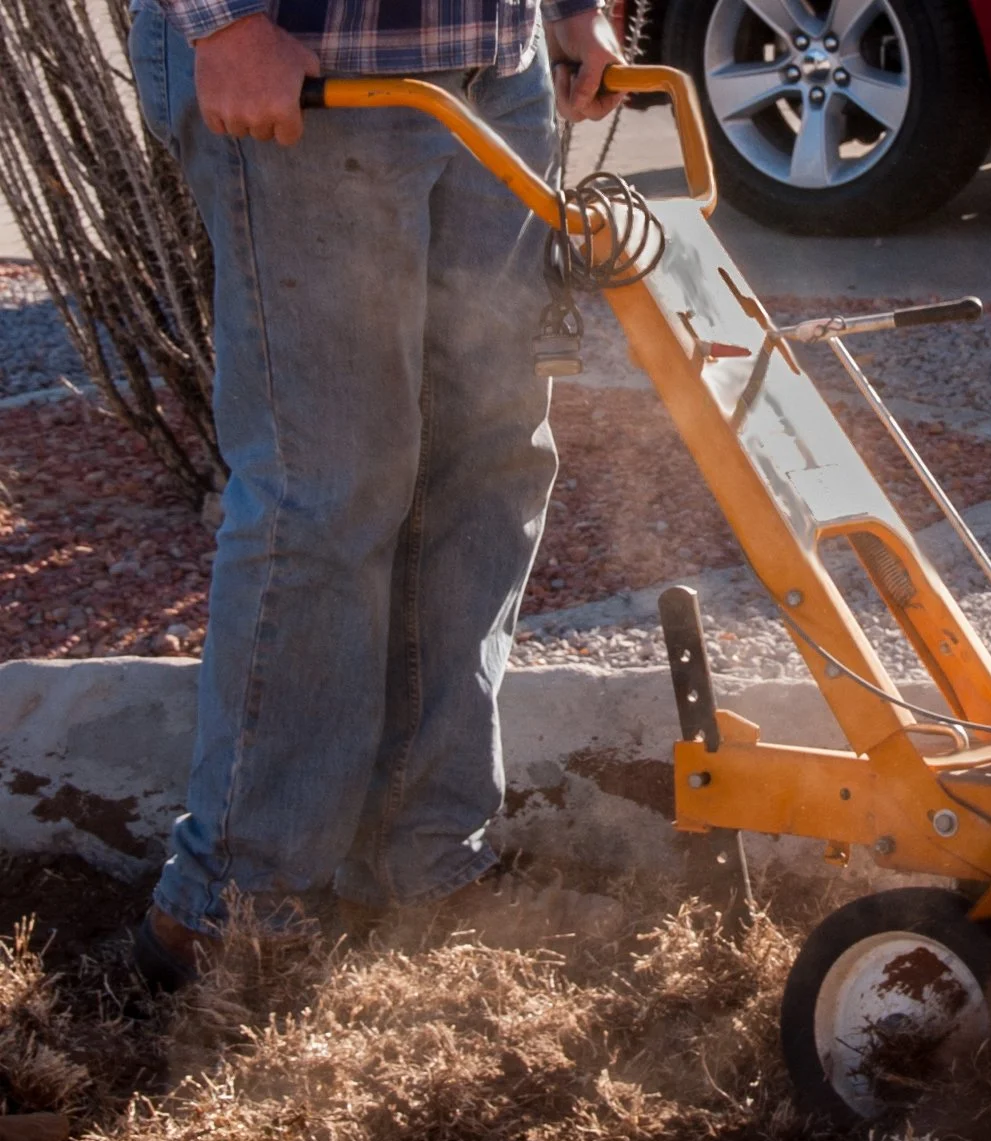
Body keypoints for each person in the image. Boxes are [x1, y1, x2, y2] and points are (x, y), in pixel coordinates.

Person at [126, 0, 625, 989]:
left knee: (483, 469)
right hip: (310, 63)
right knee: (330, 485)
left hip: (495, 65)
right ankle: (229, 909)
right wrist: (221, 24)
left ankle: (423, 864)